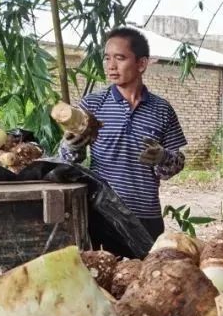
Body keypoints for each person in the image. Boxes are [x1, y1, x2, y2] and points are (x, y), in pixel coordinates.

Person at [59, 27, 187, 239]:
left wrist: (162, 156)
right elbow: (68, 162)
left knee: (146, 271)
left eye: (120, 58)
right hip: (102, 215)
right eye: (107, 58)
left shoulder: (162, 109)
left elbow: (174, 167)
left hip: (146, 218)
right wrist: (71, 146)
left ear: (141, 63)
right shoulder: (92, 105)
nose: (111, 66)